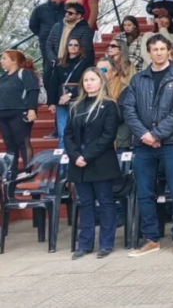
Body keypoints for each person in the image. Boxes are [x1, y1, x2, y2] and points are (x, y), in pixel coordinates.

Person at [124, 34, 173, 257]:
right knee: (145, 192)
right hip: (143, 143)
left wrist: (156, 134)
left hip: (172, 141)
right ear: (149, 52)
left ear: (169, 51)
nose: (159, 53)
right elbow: (129, 110)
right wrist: (145, 134)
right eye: (155, 49)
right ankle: (151, 239)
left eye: (163, 49)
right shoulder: (138, 79)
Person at [64, 67, 121, 259]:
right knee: (85, 203)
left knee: (105, 202)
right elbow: (68, 135)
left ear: (101, 82)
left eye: (92, 79)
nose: (88, 83)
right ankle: (85, 243)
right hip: (78, 162)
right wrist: (75, 156)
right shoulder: (75, 106)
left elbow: (107, 136)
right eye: (86, 80)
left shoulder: (109, 105)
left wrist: (86, 156)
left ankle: (106, 243)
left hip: (100, 162)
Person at [48, 37, 92, 149]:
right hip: (61, 100)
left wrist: (70, 94)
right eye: (70, 44)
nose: (73, 47)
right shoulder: (60, 63)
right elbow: (53, 83)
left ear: (80, 47)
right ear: (66, 47)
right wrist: (52, 102)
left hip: (79, 100)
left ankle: (77, 160)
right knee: (62, 133)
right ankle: (63, 164)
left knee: (78, 132)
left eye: (76, 45)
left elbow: (85, 82)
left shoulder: (85, 62)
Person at [0, 50, 38, 177]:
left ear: (14, 60)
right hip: (3, 114)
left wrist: (31, 109)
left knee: (23, 143)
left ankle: (28, 171)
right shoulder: (3, 77)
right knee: (10, 145)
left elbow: (33, 90)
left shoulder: (24, 73)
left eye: (4, 58)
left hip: (19, 112)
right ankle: (12, 171)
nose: (2, 61)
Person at [29, 0, 66, 86]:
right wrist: (42, 34)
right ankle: (49, 94)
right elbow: (32, 25)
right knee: (48, 68)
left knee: (63, 67)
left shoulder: (67, 9)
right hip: (46, 43)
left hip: (64, 42)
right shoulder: (40, 9)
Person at [46, 3, 95, 71]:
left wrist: (68, 63)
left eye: (70, 13)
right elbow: (49, 45)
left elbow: (85, 50)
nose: (66, 14)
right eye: (66, 12)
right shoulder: (56, 26)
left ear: (79, 15)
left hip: (74, 67)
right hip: (55, 65)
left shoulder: (86, 30)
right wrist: (53, 59)